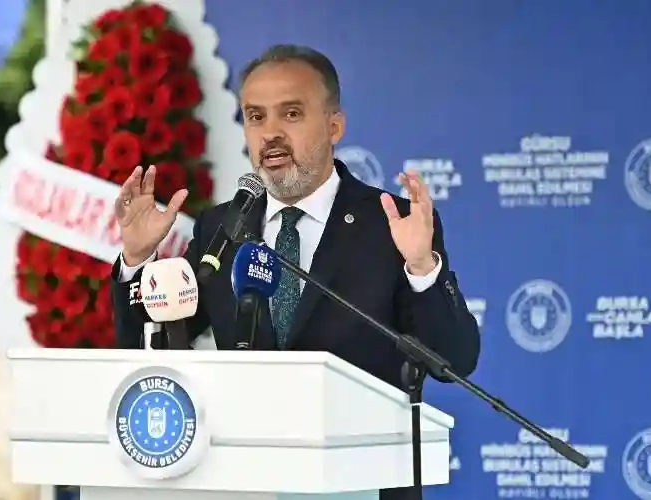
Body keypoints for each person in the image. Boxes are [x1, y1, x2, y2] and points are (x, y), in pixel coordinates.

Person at [110, 44, 480, 498]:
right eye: (255, 117)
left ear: (334, 126)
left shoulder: (391, 225)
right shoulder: (222, 229)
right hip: (245, 482)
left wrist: (421, 266)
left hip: (362, 484)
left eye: (291, 114)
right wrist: (138, 260)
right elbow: (152, 350)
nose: (270, 134)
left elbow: (455, 361)